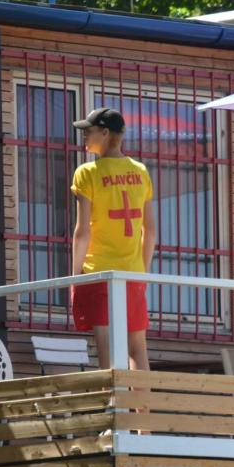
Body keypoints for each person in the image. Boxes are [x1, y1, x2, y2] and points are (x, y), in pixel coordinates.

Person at [69, 107, 156, 369]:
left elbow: (82, 231)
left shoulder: (87, 173)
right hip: (133, 273)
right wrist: (143, 272)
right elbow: (150, 230)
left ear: (105, 133)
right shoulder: (140, 171)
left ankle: (111, 396)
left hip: (99, 272)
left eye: (89, 130)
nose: (84, 135)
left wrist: (74, 277)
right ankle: (142, 398)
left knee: (105, 345)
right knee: (137, 347)